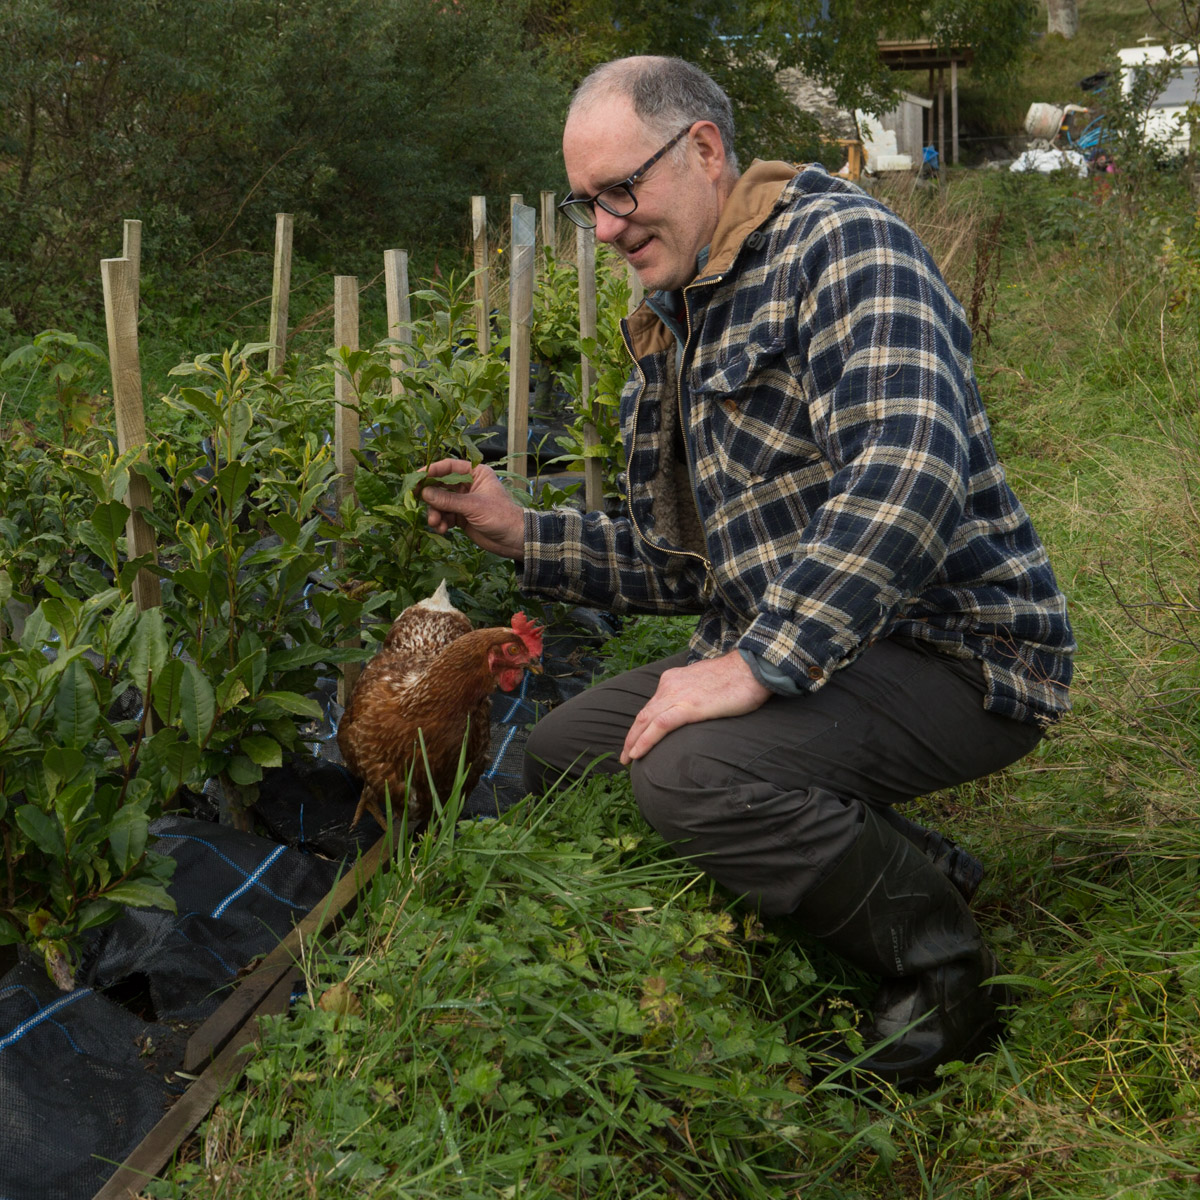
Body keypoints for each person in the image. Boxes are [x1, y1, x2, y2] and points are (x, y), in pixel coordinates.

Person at [421, 55, 1074, 1089]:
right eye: (584, 202)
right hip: (828, 650)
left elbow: (909, 472)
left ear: (705, 151)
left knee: (692, 771)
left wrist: (759, 661)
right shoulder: (686, 309)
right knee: (568, 748)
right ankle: (916, 867)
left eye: (618, 191)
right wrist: (519, 532)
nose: (602, 227)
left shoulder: (844, 247)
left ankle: (943, 980)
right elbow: (684, 563)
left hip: (955, 649)